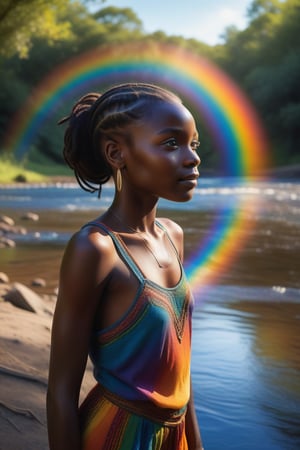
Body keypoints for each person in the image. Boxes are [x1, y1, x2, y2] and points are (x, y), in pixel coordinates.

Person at [47, 82, 203, 450]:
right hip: (119, 435)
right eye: (170, 143)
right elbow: (60, 393)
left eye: (193, 144)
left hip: (175, 435)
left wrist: (194, 442)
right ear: (117, 153)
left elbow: (181, 371)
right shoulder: (95, 249)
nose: (192, 157)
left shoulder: (173, 235)